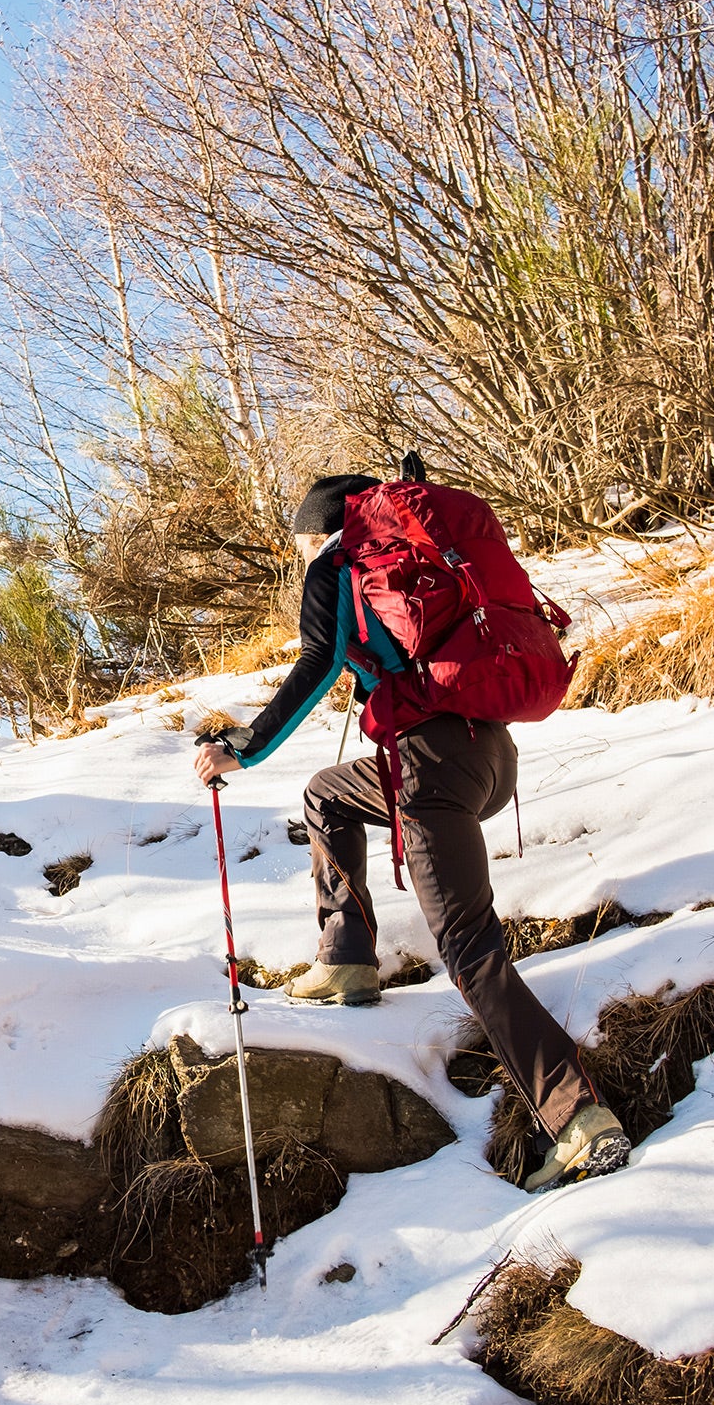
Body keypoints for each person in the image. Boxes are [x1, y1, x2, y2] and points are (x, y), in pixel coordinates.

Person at [192, 473, 629, 1193]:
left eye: (303, 544)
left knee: (469, 950)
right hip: (487, 756)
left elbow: (315, 664)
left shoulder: (340, 564)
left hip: (430, 769)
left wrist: (243, 746)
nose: (303, 556)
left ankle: (582, 1121)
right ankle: (347, 958)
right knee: (327, 794)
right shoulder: (424, 546)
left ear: (323, 531)